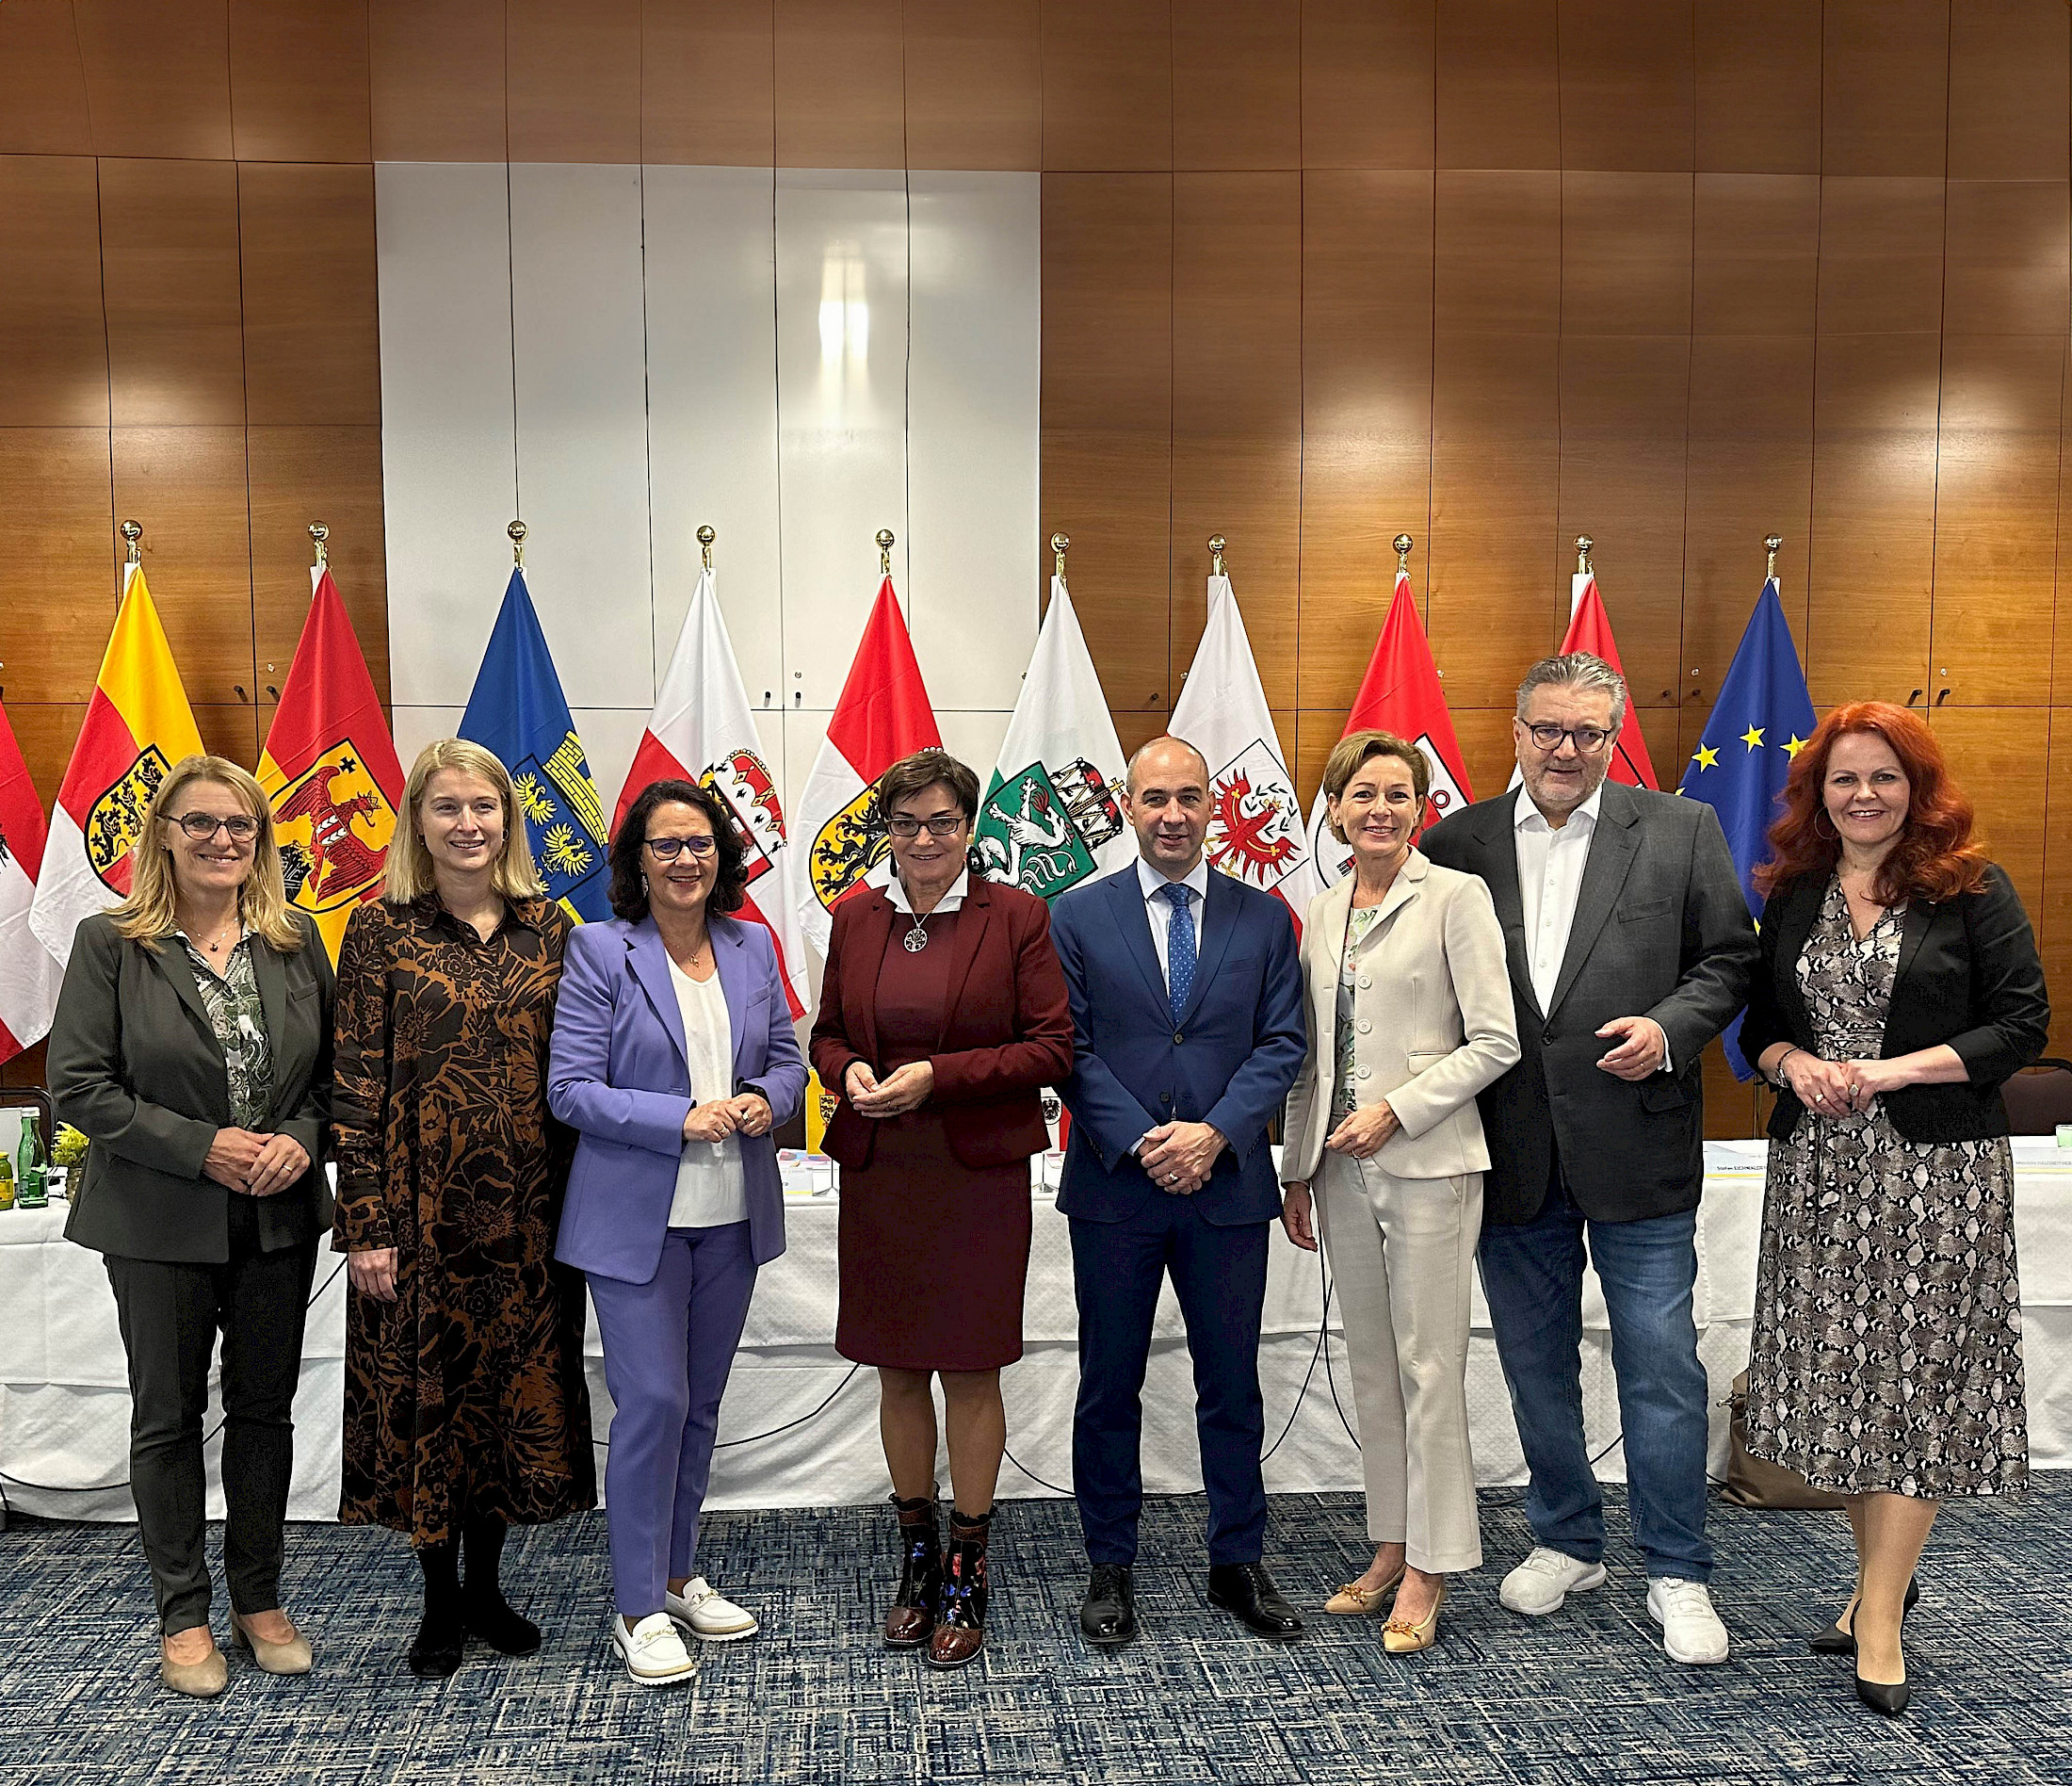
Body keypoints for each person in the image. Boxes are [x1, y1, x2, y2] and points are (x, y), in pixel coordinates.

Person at [1421, 653, 1756, 1665]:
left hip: (1637, 1143)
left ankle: (1677, 1568)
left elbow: (1729, 960)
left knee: (1660, 1364)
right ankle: (1566, 1539)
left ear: (1614, 740)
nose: (1565, 749)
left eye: (1587, 733)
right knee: (1532, 1361)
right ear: (1514, 730)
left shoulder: (1680, 829)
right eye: (1546, 730)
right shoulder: (1457, 841)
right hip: (1509, 1150)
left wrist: (1667, 1028)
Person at [1739, 702, 2048, 1716]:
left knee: (1913, 1386)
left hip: (1935, 1178)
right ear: (1816, 795)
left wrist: (1886, 1071)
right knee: (1848, 1385)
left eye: (1882, 777)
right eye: (1842, 779)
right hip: (1820, 1176)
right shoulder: (1790, 895)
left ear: (1917, 790)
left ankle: (1876, 1618)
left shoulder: (1970, 889)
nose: (1862, 795)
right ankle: (1878, 1584)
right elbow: (1759, 1033)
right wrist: (1793, 1067)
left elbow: (2020, 1022)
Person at [48, 755, 333, 1697]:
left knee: (263, 1411)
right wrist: (204, 1146)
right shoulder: (110, 942)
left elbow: (336, 1079)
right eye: (200, 822)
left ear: (261, 842)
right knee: (166, 1416)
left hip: (277, 1219)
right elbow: (80, 1086)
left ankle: (258, 1599)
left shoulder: (296, 943)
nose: (222, 840)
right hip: (157, 1217)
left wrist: (299, 1137)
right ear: (162, 834)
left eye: (240, 825)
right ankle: (184, 1613)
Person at [332, 738, 595, 1678]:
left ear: (508, 821)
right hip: (418, 1221)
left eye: (484, 807)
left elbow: (581, 1076)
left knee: (505, 1404)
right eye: (447, 807)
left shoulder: (552, 929)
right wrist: (363, 1223)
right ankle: (439, 1599)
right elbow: (353, 1087)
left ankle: (488, 1585)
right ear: (417, 822)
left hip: (532, 1222)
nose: (467, 824)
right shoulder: (379, 930)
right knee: (428, 1406)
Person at [809, 749, 1073, 1669]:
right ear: (885, 832)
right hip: (884, 1169)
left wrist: (937, 1078)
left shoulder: (1017, 919)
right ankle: (915, 1559)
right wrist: (844, 1069)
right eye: (907, 824)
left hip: (976, 1173)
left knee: (968, 1369)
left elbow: (1050, 1049)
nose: (925, 840)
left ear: (970, 829)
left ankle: (968, 1564)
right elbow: (828, 1032)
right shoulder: (855, 919)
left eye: (943, 823)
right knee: (894, 1368)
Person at [1048, 735, 1308, 1648]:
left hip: (1227, 1186)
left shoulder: (1266, 917)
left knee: (1231, 1384)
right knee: (1106, 1385)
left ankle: (1236, 1560)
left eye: (1188, 797)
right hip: (1117, 1188)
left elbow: (1283, 1044)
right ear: (1127, 806)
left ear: (1211, 807)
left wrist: (1213, 1134)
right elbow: (1066, 1048)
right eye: (1153, 798)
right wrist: (1143, 1140)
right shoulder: (1076, 917)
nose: (1171, 814)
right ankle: (1108, 1564)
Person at [548, 778, 807, 1686]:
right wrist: (679, 1117)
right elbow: (570, 1090)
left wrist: (761, 1101)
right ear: (637, 861)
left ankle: (676, 1570)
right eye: (666, 845)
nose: (685, 859)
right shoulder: (599, 950)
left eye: (700, 843)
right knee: (652, 1403)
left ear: (722, 855)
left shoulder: (751, 945)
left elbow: (789, 1063)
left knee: (697, 1407)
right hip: (635, 1227)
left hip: (733, 1220)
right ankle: (636, 1607)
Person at [1278, 732, 1519, 1653]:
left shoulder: (1456, 897)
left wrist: (1396, 1109)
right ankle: (1388, 1546)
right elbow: (1311, 1054)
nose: (1379, 808)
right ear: (1333, 809)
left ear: (1421, 807)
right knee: (1371, 1369)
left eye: (1397, 793)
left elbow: (1494, 1041)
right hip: (1339, 1167)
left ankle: (1433, 1565)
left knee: (1430, 1369)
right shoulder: (1322, 907)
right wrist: (1298, 1168)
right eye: (1360, 794)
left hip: (1430, 1163)